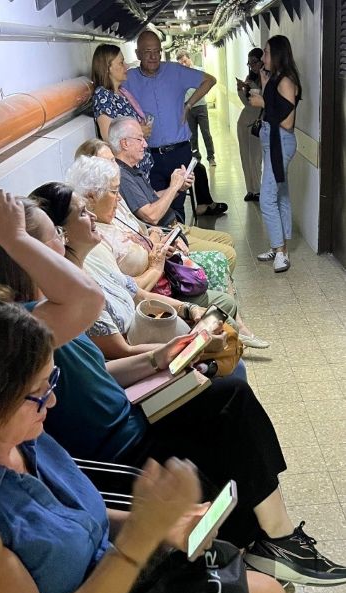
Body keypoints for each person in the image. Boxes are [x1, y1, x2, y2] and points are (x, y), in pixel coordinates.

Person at [0, 192, 346, 587]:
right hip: (118, 449)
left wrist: (157, 359)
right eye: (53, 236)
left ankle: (274, 539)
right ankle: (273, 542)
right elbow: (88, 299)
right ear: (25, 254)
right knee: (229, 409)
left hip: (130, 418)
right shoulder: (22, 326)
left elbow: (99, 373)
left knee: (228, 399)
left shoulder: (43, 312)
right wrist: (15, 237)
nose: (62, 240)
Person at [0, 287, 221, 593]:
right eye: (36, 392)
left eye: (51, 382)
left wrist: (157, 524)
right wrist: (140, 539)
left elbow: (77, 526)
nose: (51, 401)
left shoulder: (13, 434)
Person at [63, 157, 269, 353]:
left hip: (162, 287)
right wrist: (184, 345)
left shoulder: (105, 226)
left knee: (223, 309)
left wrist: (188, 309)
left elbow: (136, 288)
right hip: (154, 309)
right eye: (115, 191)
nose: (119, 197)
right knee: (223, 319)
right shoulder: (94, 249)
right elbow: (126, 343)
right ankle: (233, 341)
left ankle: (234, 339)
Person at [108, 116, 237, 273]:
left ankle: (216, 281)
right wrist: (174, 186)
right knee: (228, 254)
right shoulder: (122, 176)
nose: (145, 144)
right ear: (125, 143)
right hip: (167, 233)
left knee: (227, 240)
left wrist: (179, 188)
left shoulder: (132, 169)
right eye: (140, 139)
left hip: (175, 227)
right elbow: (151, 215)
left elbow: (155, 198)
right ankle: (211, 283)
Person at [123, 30, 228, 220]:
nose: (153, 56)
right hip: (148, 156)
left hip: (179, 152)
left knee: (177, 205)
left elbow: (209, 80)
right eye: (147, 52)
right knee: (155, 204)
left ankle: (180, 237)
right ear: (137, 54)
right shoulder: (129, 78)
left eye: (157, 51)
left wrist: (189, 105)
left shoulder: (175, 71)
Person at [249, 35, 302, 273]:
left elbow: (288, 123)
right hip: (271, 140)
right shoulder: (276, 78)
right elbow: (274, 104)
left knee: (267, 198)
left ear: (278, 54)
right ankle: (278, 246)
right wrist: (264, 83)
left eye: (267, 52)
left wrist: (263, 104)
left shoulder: (287, 82)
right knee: (280, 194)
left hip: (280, 142)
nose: (263, 56)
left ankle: (281, 251)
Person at [91, 44, 153, 180]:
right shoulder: (103, 96)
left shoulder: (122, 93)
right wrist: (140, 132)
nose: (126, 66)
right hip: (128, 172)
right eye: (121, 63)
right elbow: (109, 137)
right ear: (107, 68)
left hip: (138, 169)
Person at [176, 49, 216, 166]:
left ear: (189, 58)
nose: (184, 64)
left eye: (185, 61)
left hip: (201, 107)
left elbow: (207, 86)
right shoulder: (180, 76)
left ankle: (211, 157)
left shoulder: (200, 71)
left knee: (206, 133)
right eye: (181, 63)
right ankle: (196, 157)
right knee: (192, 136)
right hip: (188, 109)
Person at [236, 48, 264, 202]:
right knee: (245, 157)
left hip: (257, 123)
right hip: (244, 121)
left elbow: (264, 103)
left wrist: (254, 87)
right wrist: (240, 90)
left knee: (256, 157)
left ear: (262, 61)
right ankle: (250, 190)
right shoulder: (249, 78)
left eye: (254, 62)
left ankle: (258, 190)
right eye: (249, 63)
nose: (252, 66)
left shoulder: (267, 78)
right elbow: (247, 103)